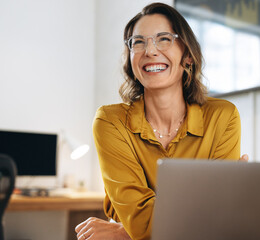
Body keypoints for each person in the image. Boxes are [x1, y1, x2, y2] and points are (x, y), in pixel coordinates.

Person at [75, 2, 247, 240]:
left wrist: (123, 233)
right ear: (131, 60)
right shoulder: (110, 122)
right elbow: (143, 222)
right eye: (138, 42)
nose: (150, 50)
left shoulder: (223, 117)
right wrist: (210, 206)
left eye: (164, 39)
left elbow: (219, 222)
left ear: (187, 55)